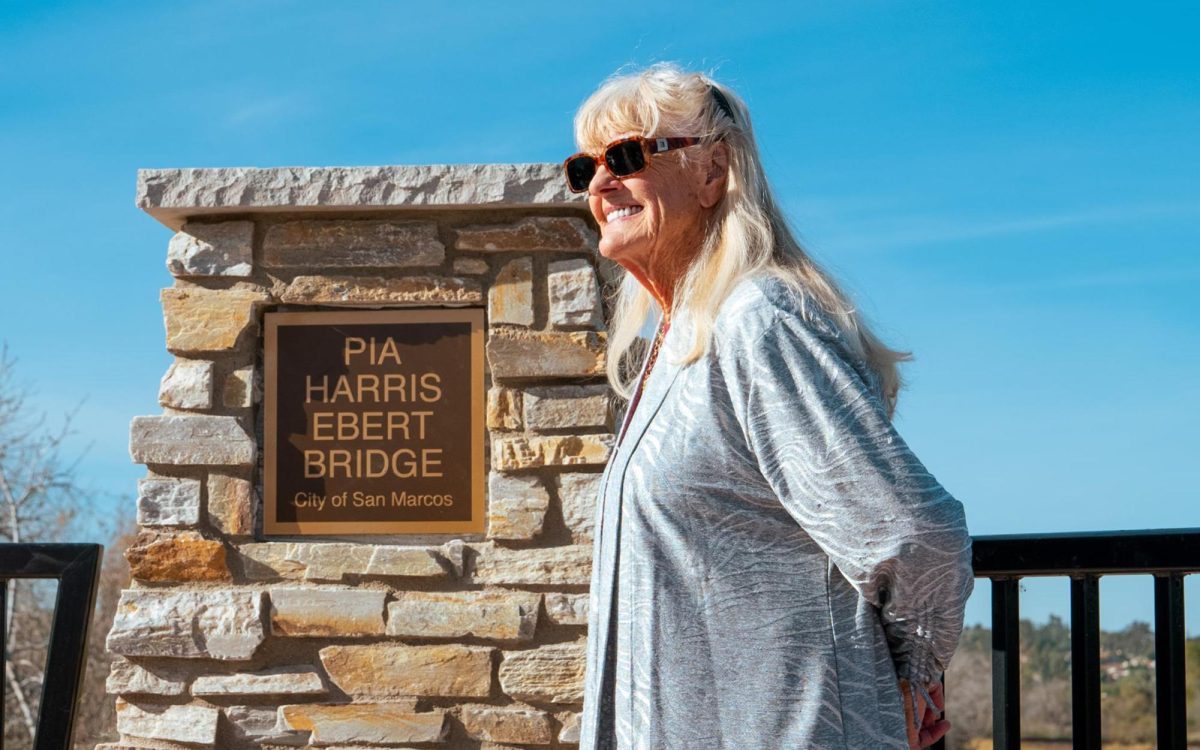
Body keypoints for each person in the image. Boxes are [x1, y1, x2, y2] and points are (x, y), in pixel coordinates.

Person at [567, 62, 975, 750]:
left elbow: (915, 536)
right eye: (586, 169)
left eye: (628, 157)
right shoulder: (679, 340)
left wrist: (908, 680)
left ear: (712, 171)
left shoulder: (757, 319)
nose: (603, 185)